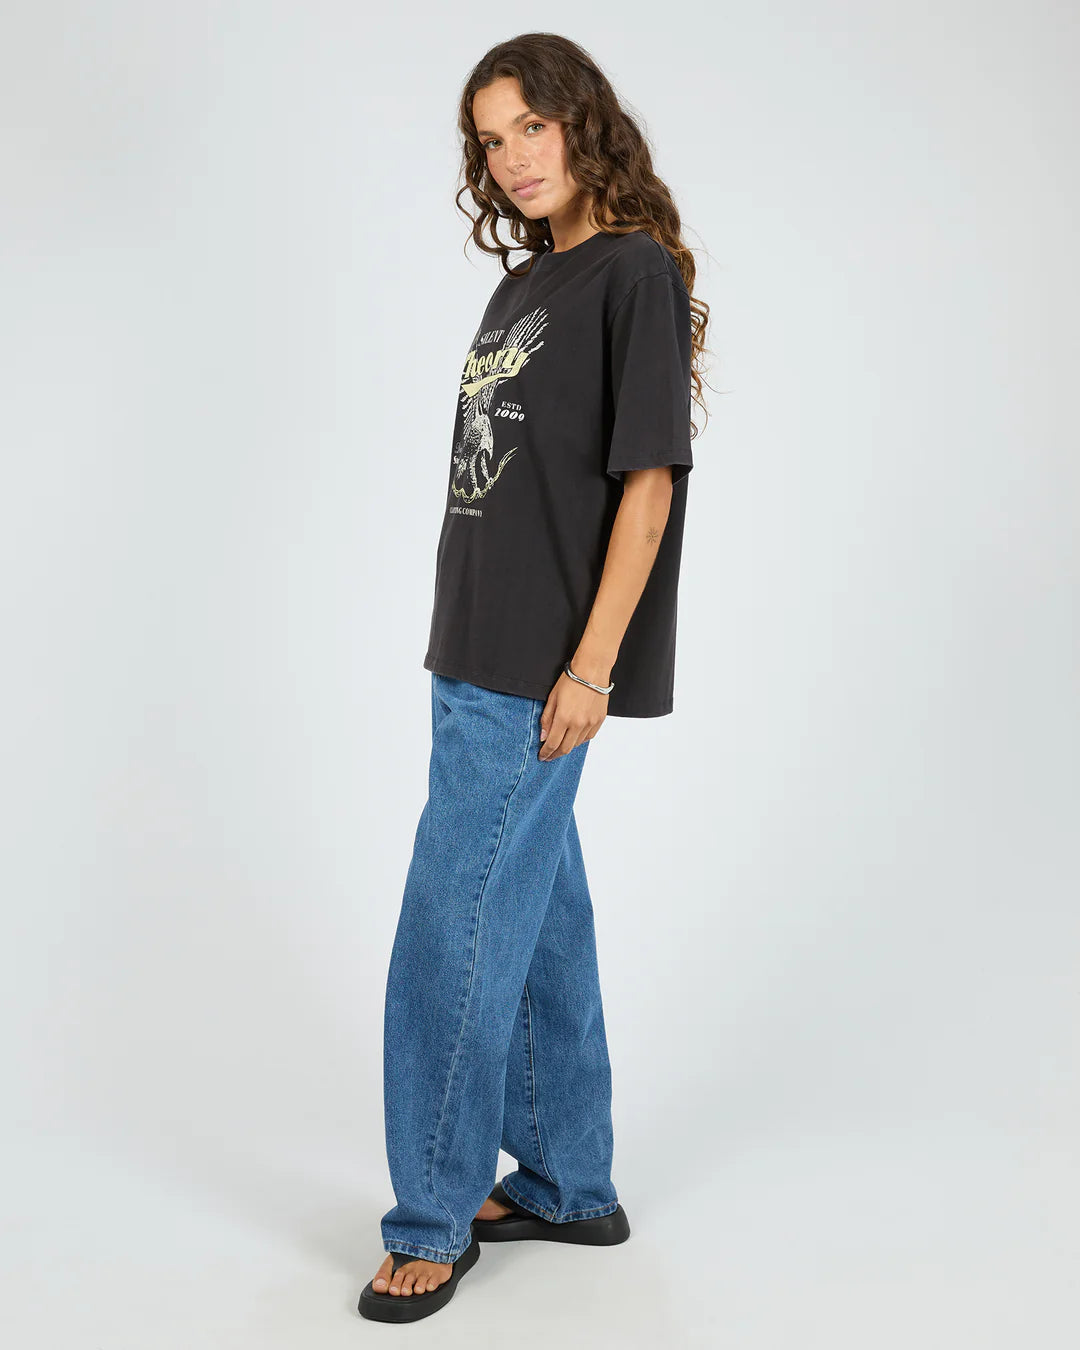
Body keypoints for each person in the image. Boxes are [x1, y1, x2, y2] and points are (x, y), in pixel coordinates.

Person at [358, 31, 710, 1324]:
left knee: (448, 937)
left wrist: (591, 670)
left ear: (581, 122)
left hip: (537, 663)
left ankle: (430, 1216)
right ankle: (567, 1177)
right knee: (539, 914)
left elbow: (648, 484)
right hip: (473, 644)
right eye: (489, 140)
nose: (509, 159)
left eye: (529, 128)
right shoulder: (526, 285)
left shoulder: (633, 274)